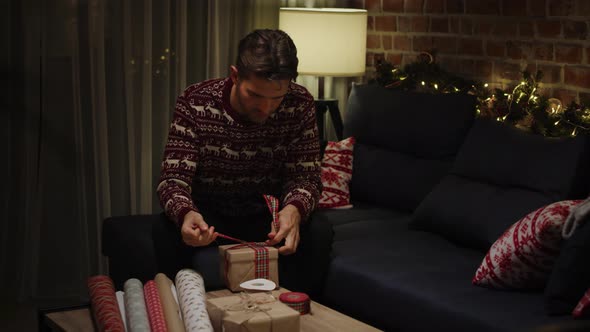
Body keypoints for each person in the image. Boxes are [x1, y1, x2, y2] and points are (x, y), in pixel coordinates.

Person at [156, 29, 330, 295]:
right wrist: (186, 214)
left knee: (318, 231)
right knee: (165, 231)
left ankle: (294, 312)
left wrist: (294, 209)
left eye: (277, 98)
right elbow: (173, 180)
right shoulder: (196, 101)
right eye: (256, 96)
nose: (267, 108)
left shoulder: (300, 103)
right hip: (208, 214)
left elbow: (305, 177)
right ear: (235, 76)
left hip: (267, 215)